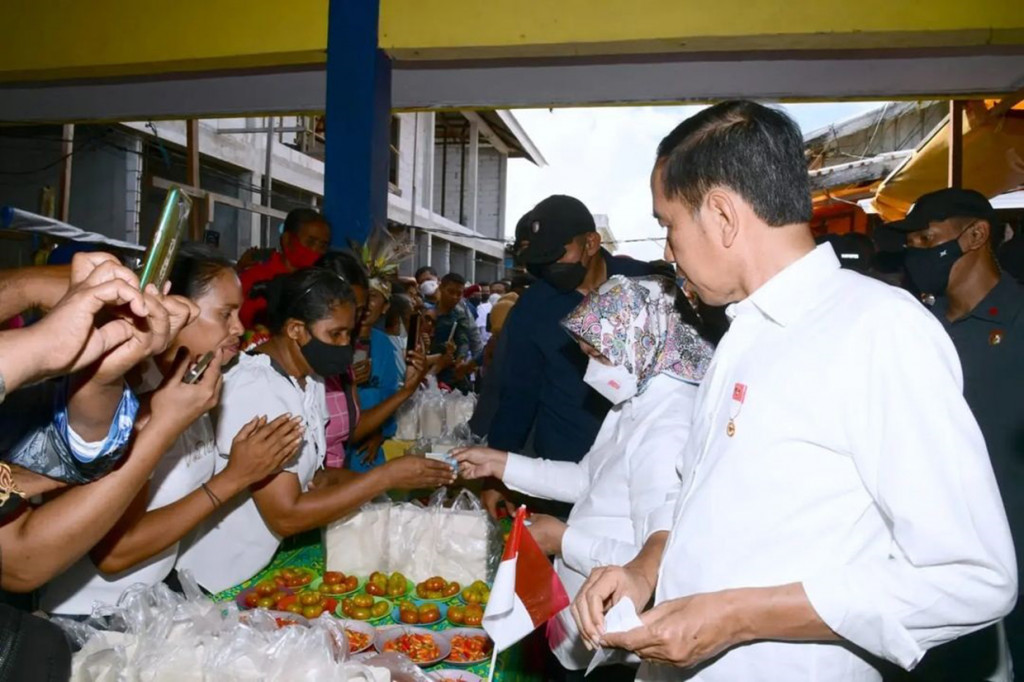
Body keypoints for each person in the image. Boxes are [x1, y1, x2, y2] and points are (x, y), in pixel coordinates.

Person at [572, 100, 1016, 682]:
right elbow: (696, 495)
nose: (668, 251)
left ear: (724, 215)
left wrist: (737, 617)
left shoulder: (876, 329)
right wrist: (645, 568)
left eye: (669, 225)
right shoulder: (741, 332)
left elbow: (973, 575)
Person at [455, 275, 713, 676]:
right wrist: (500, 463)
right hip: (585, 615)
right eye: (587, 355)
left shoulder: (668, 427)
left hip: (616, 639)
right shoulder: (636, 399)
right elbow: (586, 479)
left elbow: (655, 561)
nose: (591, 371)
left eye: (601, 356)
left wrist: (564, 539)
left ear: (642, 340)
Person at [42, 245, 303, 616]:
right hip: (90, 615)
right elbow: (116, 553)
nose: (239, 329)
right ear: (174, 310)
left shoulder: (192, 383)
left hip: (148, 601)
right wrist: (235, 477)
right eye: (225, 314)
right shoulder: (123, 398)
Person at [176, 268, 453, 593]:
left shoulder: (309, 378)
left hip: (251, 568)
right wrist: (386, 477)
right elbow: (286, 515)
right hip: (207, 579)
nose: (345, 346)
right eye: (335, 334)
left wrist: (397, 497)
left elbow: (316, 478)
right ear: (296, 329)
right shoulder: (257, 389)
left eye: (349, 334)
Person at [875, 188, 1023, 680]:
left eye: (927, 238)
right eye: (911, 242)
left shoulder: (1019, 324)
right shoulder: (915, 327)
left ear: (976, 235)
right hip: (930, 564)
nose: (916, 253)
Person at [484, 195, 655, 517]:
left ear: (591, 243)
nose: (550, 268)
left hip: (641, 470)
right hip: (562, 467)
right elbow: (518, 395)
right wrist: (498, 472)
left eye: (557, 256)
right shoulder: (534, 307)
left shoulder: (645, 285)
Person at [238, 208, 331, 328]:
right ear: (287, 240)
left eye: (323, 245)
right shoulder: (254, 279)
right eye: (310, 242)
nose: (316, 251)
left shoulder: (323, 285)